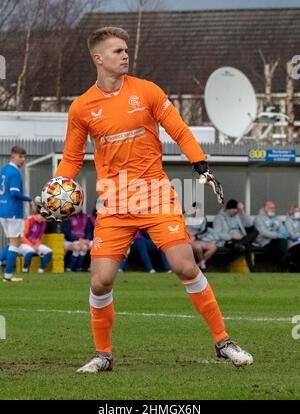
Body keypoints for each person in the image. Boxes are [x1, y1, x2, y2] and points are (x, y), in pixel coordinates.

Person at [35, 26, 252, 371]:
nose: (125, 55)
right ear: (98, 58)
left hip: (156, 196)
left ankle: (223, 342)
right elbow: (73, 157)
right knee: (100, 279)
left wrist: (201, 165)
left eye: (126, 50)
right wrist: (58, 186)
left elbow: (178, 129)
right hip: (115, 203)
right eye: (118, 51)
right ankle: (102, 355)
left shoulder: (147, 91)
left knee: (184, 266)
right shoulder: (81, 108)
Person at [0, 146, 32, 282]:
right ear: (13, 156)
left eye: (24, 157)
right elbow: (14, 192)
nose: (23, 160)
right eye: (20, 156)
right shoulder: (14, 172)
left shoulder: (4, 170)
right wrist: (30, 199)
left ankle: (6, 274)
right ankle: (7, 276)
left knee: (11, 242)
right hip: (13, 211)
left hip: (3, 210)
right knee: (15, 243)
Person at [213, 199, 258, 272]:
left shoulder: (238, 216)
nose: (236, 211)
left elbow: (249, 224)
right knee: (247, 246)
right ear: (228, 209)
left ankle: (241, 243)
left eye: (236, 209)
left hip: (241, 239)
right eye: (234, 209)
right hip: (228, 240)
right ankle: (252, 270)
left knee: (255, 232)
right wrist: (231, 236)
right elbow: (217, 234)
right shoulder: (219, 218)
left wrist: (242, 211)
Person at [254, 201, 289, 272]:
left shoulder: (276, 218)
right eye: (271, 208)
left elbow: (283, 230)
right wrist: (277, 235)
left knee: (282, 242)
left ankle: (284, 265)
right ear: (265, 208)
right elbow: (263, 232)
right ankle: (285, 265)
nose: (273, 209)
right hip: (265, 242)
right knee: (281, 245)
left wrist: (282, 234)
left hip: (277, 241)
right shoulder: (259, 218)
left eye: (274, 208)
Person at [185, 203, 217, 270]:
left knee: (213, 247)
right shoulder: (185, 217)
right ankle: (202, 266)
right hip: (187, 239)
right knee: (198, 247)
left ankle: (201, 263)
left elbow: (204, 231)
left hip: (198, 239)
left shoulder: (203, 218)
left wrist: (196, 237)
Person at [285, 205, 300, 272]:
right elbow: (292, 235)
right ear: (292, 212)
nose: (298, 212)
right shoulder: (288, 220)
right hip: (293, 244)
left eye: (299, 211)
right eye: (296, 211)